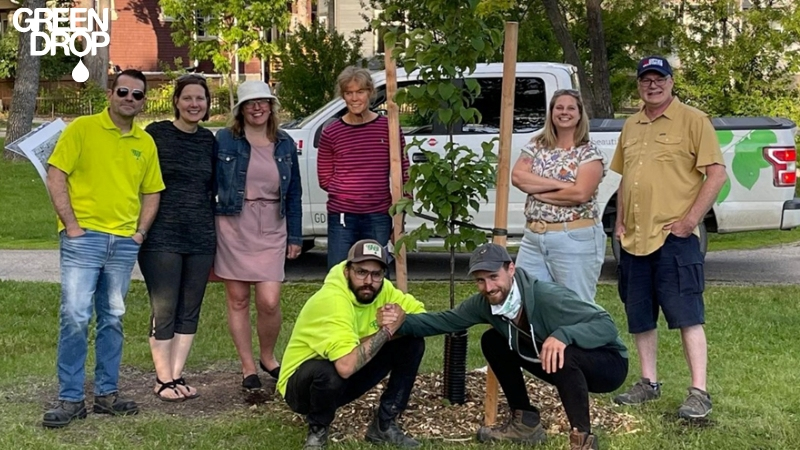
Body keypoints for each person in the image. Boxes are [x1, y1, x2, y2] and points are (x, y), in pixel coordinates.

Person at [387, 243, 628, 450]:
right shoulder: (484, 304)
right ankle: (525, 423)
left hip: (607, 364)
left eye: (494, 277)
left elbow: (605, 325)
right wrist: (402, 322)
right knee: (493, 341)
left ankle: (582, 439)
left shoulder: (547, 297)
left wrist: (563, 335)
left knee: (564, 352)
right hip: (557, 362)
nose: (489, 287)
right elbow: (443, 321)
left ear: (510, 269)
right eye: (480, 280)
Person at [42, 69, 164, 428]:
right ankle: (70, 398)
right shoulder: (82, 129)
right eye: (123, 91)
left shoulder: (145, 142)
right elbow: (55, 174)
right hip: (85, 239)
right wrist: (73, 226)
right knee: (76, 317)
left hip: (124, 243)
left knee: (113, 319)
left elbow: (153, 191)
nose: (130, 98)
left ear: (143, 102)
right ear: (111, 93)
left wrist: (140, 233)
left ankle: (107, 394)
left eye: (137, 95)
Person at [610, 56, 727, 420]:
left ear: (671, 82)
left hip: (673, 238)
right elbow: (626, 177)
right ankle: (648, 382)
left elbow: (716, 175)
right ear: (639, 85)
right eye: (646, 80)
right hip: (634, 240)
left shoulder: (694, 121)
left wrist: (690, 220)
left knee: (687, 314)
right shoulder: (631, 125)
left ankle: (699, 392)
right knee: (640, 315)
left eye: (659, 78)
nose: (652, 85)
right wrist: (620, 222)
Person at [277, 240, 426, 449]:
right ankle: (317, 431)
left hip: (344, 373)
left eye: (376, 274)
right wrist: (387, 330)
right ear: (347, 271)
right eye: (361, 272)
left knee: (412, 343)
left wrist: (402, 317)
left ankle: (385, 424)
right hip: (303, 389)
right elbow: (345, 367)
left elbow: (421, 315)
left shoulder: (384, 290)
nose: (368, 281)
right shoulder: (332, 299)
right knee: (327, 372)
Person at [214, 80, 303, 391]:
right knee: (238, 299)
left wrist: (295, 235)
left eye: (263, 102)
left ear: (271, 106)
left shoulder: (285, 143)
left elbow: (294, 193)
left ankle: (268, 357)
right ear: (240, 109)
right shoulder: (224, 139)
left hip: (272, 225)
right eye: (250, 103)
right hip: (233, 223)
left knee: (269, 300)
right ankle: (248, 367)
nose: (257, 107)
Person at [139, 74, 217, 402]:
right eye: (188, 98)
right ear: (176, 101)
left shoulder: (209, 142)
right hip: (161, 236)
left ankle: (176, 373)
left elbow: (212, 187)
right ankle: (162, 378)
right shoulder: (156, 134)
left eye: (200, 99)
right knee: (165, 307)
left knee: (190, 307)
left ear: (207, 105)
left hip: (200, 235)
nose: (194, 104)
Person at [511, 89, 606, 303]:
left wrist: (536, 191)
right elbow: (517, 177)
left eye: (571, 108)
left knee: (576, 305)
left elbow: (580, 193)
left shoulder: (589, 152)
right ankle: (544, 338)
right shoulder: (537, 144)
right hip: (534, 237)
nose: (564, 112)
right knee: (526, 300)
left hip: (574, 237)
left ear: (580, 114)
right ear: (551, 112)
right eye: (559, 107)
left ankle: (583, 338)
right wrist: (559, 185)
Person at [317, 66, 409, 270]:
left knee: (376, 274)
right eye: (349, 93)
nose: (354, 98)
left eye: (360, 92)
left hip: (378, 215)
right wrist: (350, 193)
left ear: (370, 93)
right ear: (343, 96)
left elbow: (404, 174)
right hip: (342, 215)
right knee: (339, 274)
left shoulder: (388, 128)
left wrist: (400, 220)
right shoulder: (332, 133)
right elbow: (324, 178)